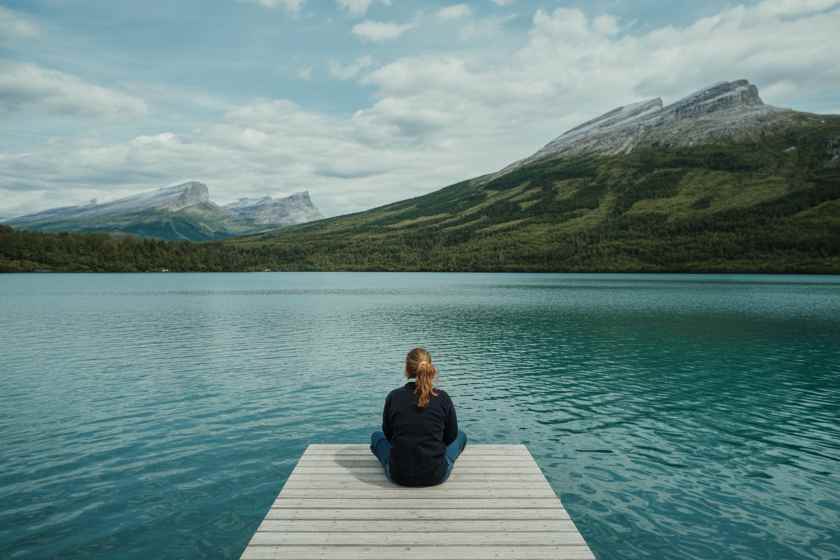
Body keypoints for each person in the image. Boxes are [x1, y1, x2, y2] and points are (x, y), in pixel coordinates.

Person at [370, 347, 467, 487]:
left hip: (399, 475)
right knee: (461, 436)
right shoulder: (443, 397)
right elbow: (451, 436)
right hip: (435, 474)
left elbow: (388, 433)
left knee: (376, 436)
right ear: (430, 367)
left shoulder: (394, 396)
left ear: (407, 369)